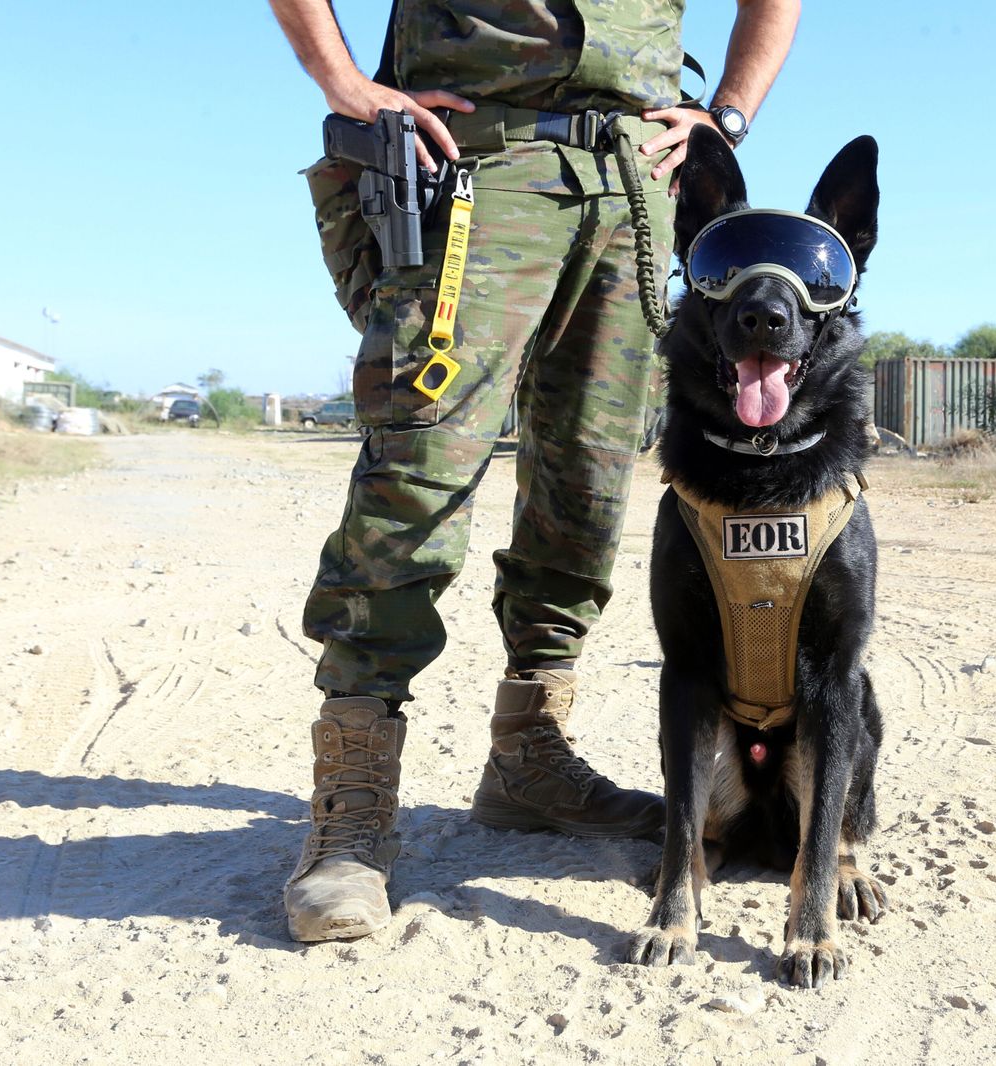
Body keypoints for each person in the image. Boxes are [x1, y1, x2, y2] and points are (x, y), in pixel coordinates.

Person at [268, 0, 801, 943]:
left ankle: (529, 756)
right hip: (478, 162)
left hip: (638, 187)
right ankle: (352, 810)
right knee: (419, 467)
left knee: (588, 485)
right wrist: (344, 84)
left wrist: (730, 113)